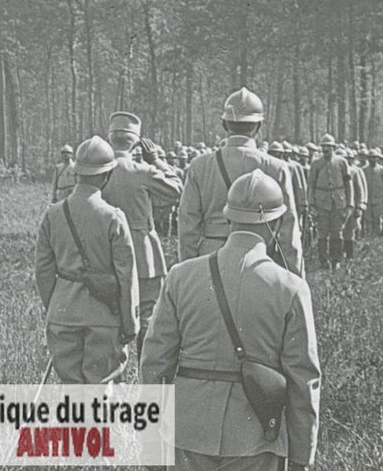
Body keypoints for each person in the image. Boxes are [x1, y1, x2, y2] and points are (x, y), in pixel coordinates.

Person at [142, 171, 320, 471]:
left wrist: (151, 440)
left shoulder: (180, 277)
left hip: (189, 430)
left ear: (227, 217)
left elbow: (154, 364)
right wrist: (301, 457)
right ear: (275, 223)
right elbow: (304, 380)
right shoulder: (290, 287)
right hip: (258, 434)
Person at [35, 136, 139, 382]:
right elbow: (126, 273)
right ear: (107, 176)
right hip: (104, 316)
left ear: (76, 173)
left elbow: (43, 270)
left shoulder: (52, 214)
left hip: (63, 314)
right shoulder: (113, 217)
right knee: (100, 392)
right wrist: (129, 322)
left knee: (73, 393)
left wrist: (56, 308)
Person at [177, 89, 302, 275]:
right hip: (260, 259)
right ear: (259, 126)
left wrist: (188, 271)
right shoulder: (276, 168)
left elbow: (187, 225)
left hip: (210, 258)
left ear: (224, 124)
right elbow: (288, 230)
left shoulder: (200, 166)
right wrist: (294, 277)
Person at [101, 112, 182, 350]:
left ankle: (115, 376)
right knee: (147, 313)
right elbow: (177, 187)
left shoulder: (98, 171)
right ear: (136, 142)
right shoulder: (142, 171)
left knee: (112, 312)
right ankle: (147, 372)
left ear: (110, 138)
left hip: (107, 251)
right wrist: (156, 159)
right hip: (143, 252)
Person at [307, 136, 351, 270]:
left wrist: (350, 204)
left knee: (337, 232)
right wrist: (311, 204)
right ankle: (323, 260)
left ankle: (336, 260)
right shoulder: (316, 164)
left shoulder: (342, 162)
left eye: (328, 148)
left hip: (338, 202)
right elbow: (311, 185)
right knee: (322, 232)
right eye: (323, 148)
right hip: (321, 203)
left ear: (334, 148)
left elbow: (348, 185)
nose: (326, 151)